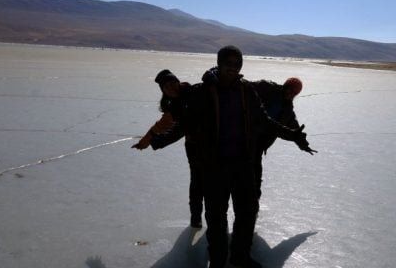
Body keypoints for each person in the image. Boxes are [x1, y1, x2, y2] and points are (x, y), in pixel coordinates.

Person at [183, 45, 314, 268]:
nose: (233, 68)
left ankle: (239, 256)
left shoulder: (259, 97)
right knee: (216, 216)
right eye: (228, 63)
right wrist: (156, 139)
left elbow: (267, 121)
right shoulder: (208, 91)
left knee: (248, 209)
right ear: (219, 63)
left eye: (237, 64)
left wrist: (295, 137)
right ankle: (217, 260)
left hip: (245, 159)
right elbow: (183, 124)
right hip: (215, 164)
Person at [131, 69, 204, 229]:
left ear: (178, 82)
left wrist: (153, 141)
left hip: (213, 145)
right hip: (194, 147)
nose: (171, 87)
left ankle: (215, 220)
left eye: (172, 83)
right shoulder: (174, 106)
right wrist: (146, 140)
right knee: (197, 182)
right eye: (166, 87)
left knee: (213, 183)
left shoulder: (195, 92)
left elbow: (179, 129)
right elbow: (162, 125)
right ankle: (196, 218)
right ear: (163, 91)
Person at [250, 77, 305, 200]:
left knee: (255, 180)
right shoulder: (266, 87)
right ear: (285, 86)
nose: (290, 94)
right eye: (290, 90)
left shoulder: (287, 109)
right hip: (244, 138)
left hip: (259, 145)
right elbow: (244, 87)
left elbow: (293, 127)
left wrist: (302, 142)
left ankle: (253, 207)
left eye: (294, 93)